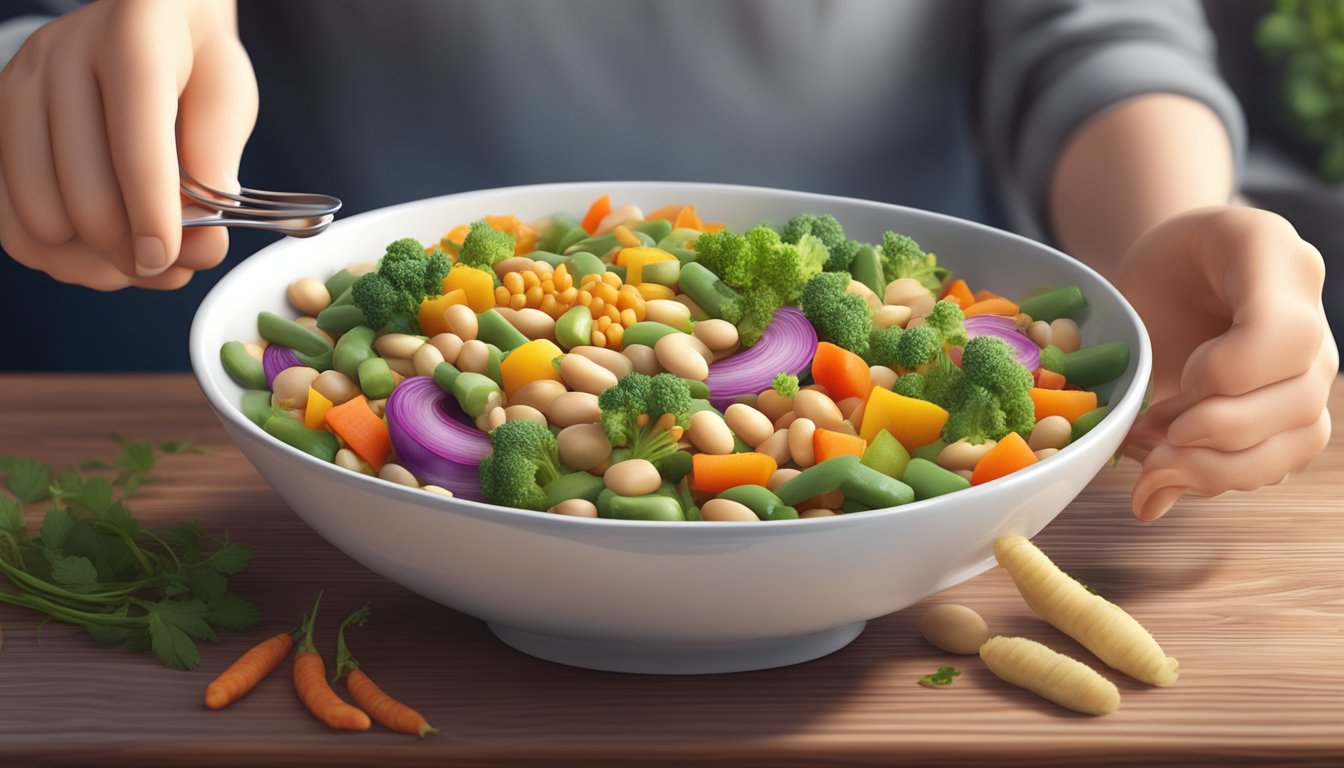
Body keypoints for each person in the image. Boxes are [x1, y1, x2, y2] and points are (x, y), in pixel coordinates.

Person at [0, 0, 1334, 522]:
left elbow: (1088, 33)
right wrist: (62, 68)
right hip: (383, 488)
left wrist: (1161, 238)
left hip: (904, 337)